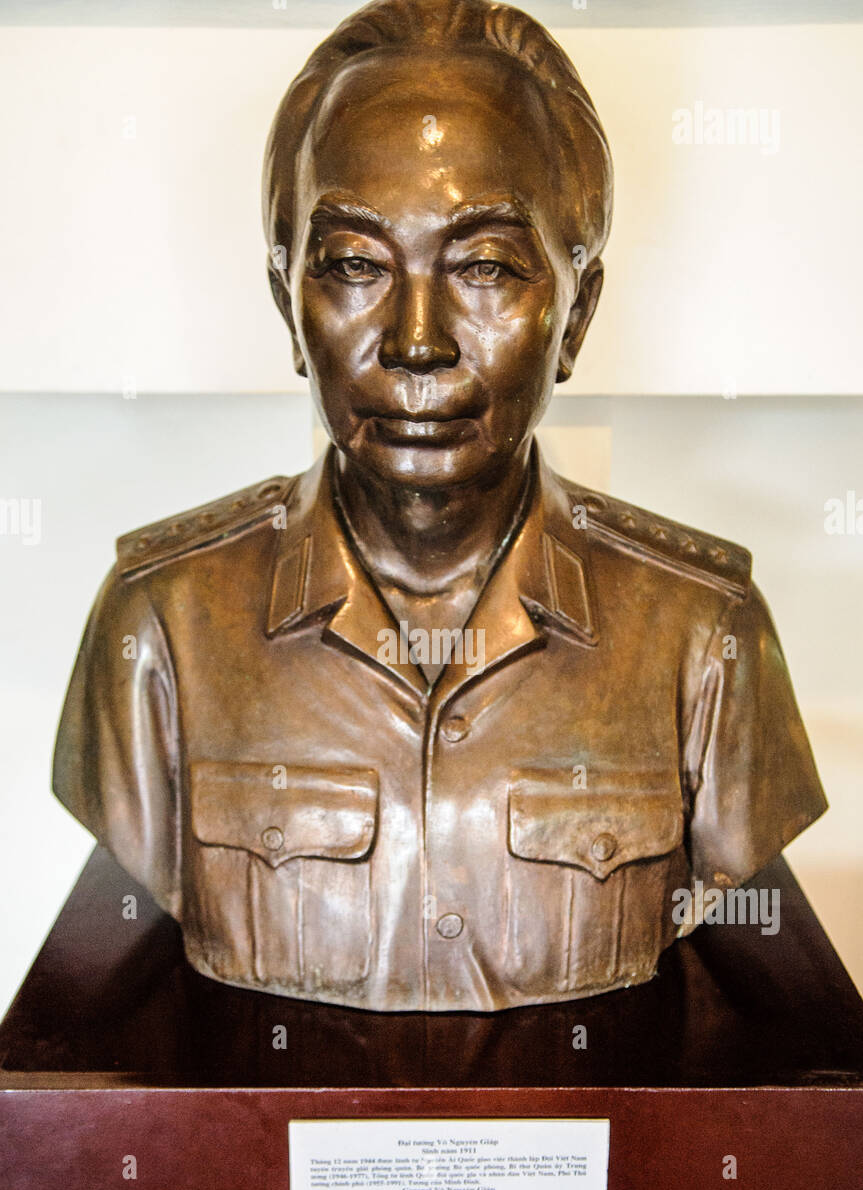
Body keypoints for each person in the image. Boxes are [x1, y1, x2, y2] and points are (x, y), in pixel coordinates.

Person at [53, 0, 826, 1012]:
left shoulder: (700, 632)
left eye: (483, 267)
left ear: (575, 313)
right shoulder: (158, 625)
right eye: (356, 266)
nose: (417, 341)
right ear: (290, 304)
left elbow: (762, 991)